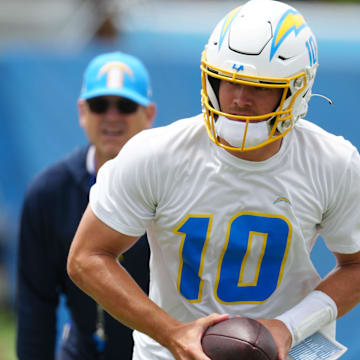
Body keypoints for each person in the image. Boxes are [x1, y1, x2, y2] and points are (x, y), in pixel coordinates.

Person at [67, 1, 360, 360]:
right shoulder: (155, 154)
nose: (239, 99)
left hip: (288, 352)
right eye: (228, 80)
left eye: (259, 87)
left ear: (297, 91)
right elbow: (86, 257)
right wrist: (172, 332)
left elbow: (357, 264)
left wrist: (289, 327)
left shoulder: (332, 162)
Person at [16, 51, 156, 360]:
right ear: (82, 111)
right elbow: (35, 305)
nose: (112, 115)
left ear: (149, 114)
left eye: (125, 105)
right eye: (99, 104)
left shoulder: (174, 184)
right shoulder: (49, 193)